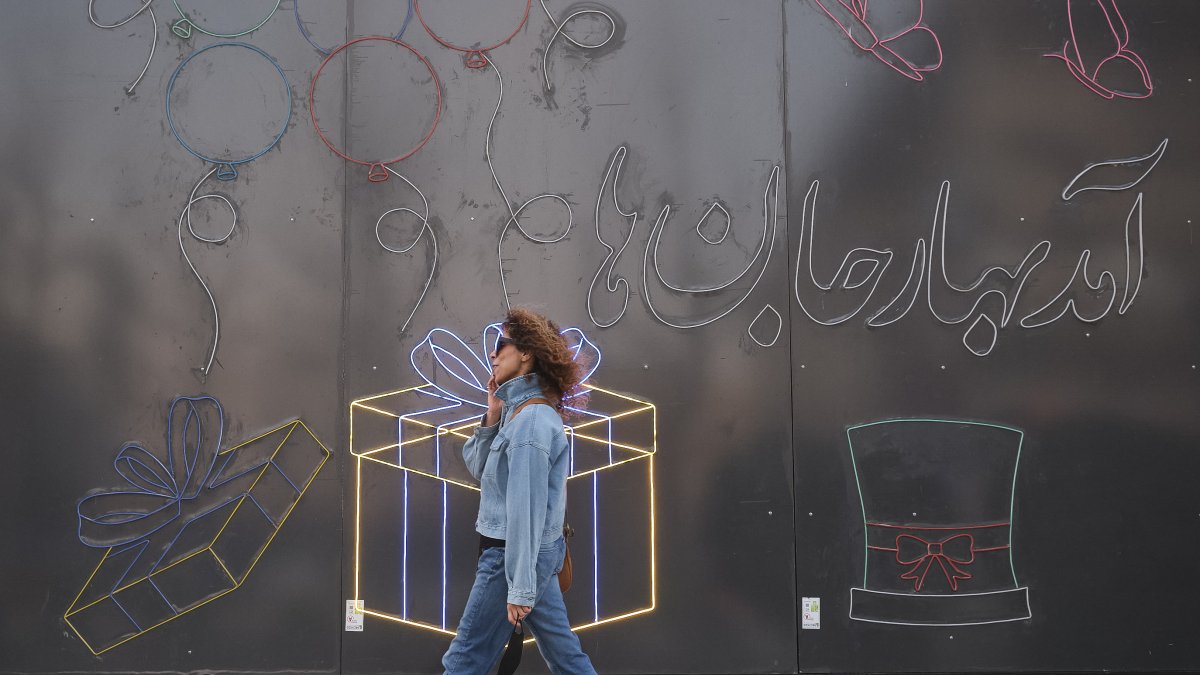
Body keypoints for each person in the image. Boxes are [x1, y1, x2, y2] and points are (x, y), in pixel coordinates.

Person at [441, 308, 597, 675]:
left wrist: (520, 587)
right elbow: (481, 470)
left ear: (526, 353)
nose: (493, 355)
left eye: (501, 345)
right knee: (566, 657)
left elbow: (526, 509)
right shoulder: (518, 414)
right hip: (529, 556)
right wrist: (492, 415)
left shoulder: (531, 422)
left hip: (510, 557)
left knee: (465, 660)